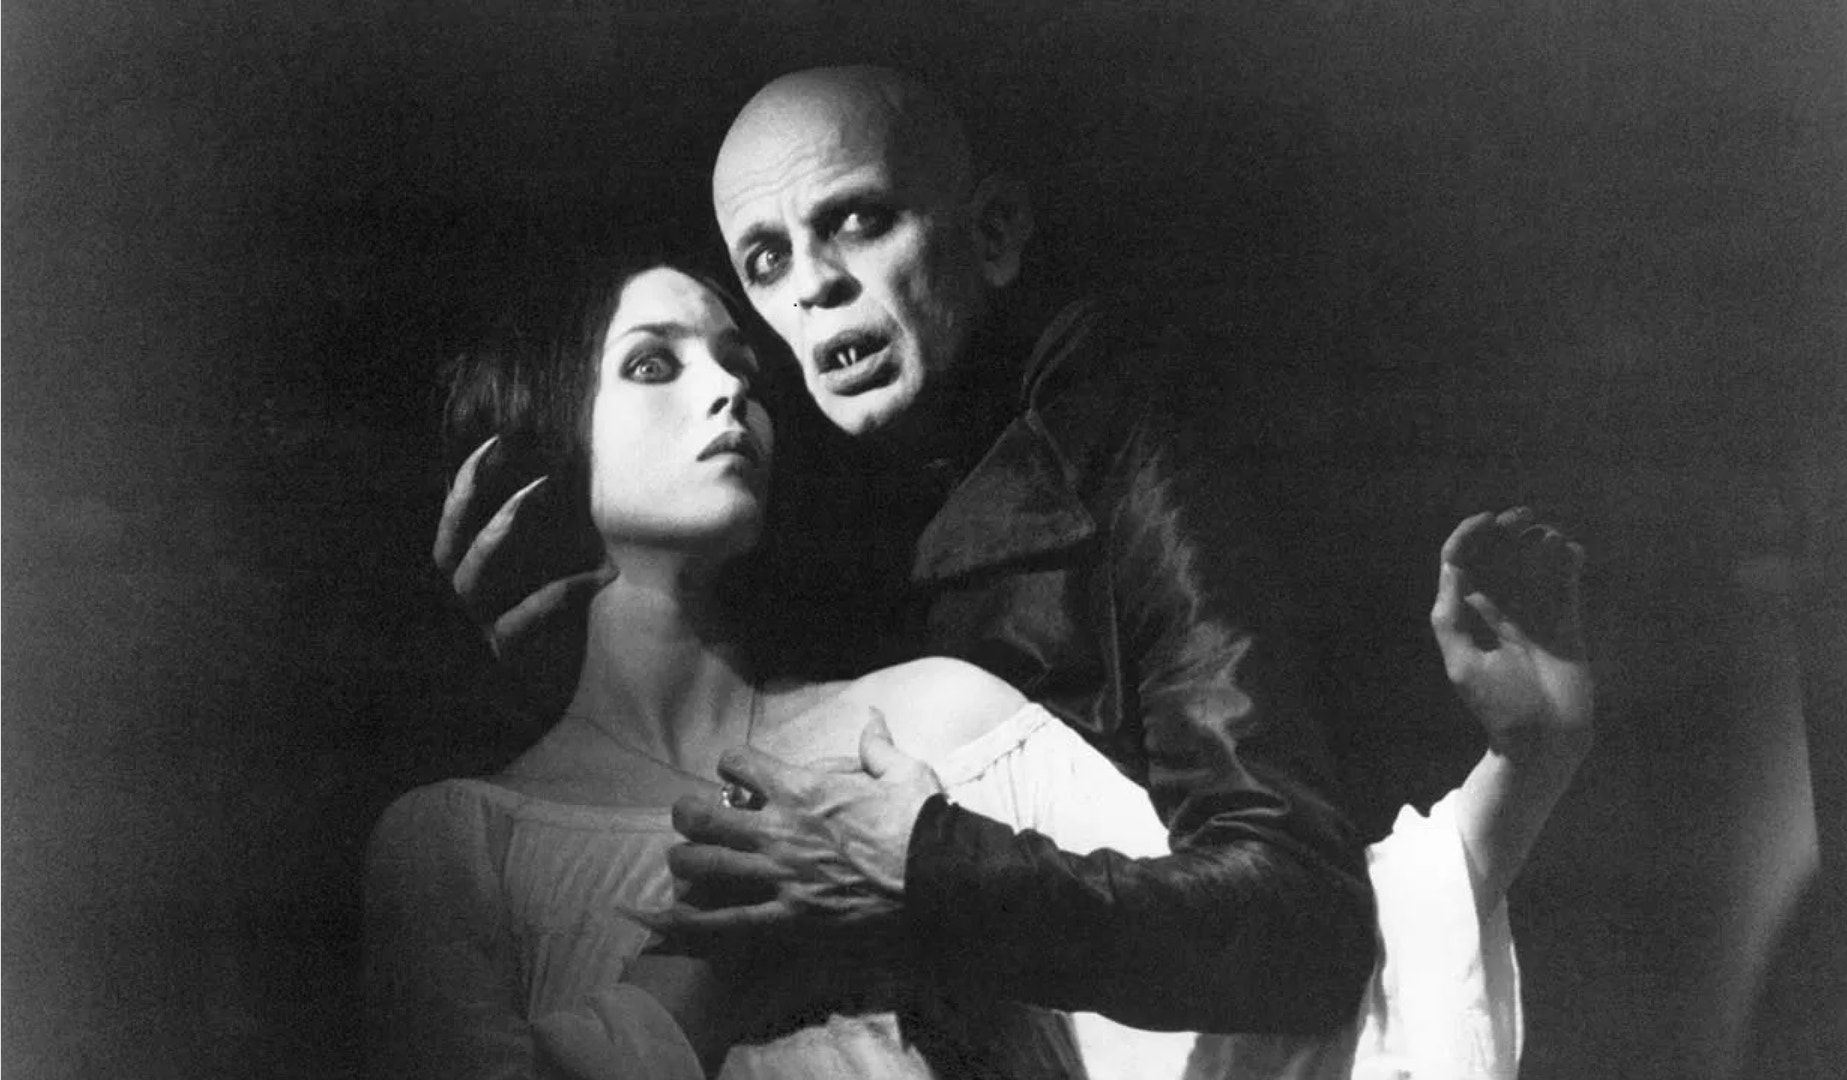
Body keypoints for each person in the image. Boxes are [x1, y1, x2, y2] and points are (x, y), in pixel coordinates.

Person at [373, 250, 1593, 1080]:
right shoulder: (460, 844)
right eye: (656, 364)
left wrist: (1530, 761)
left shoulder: (925, 724)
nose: (729, 391)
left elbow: (1257, 985)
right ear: (530, 454)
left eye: (740, 362)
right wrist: (714, 971)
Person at [435, 63, 1378, 1036]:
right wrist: (558, 683)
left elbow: (1302, 921)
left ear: (994, 233)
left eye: (858, 221)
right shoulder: (808, 515)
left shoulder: (1129, 453)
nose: (814, 285)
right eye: (767, 260)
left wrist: (927, 875)